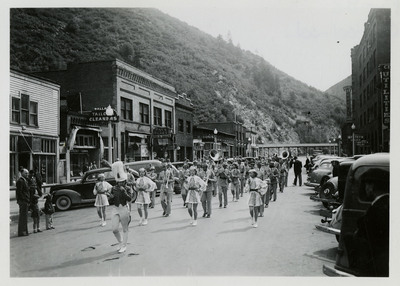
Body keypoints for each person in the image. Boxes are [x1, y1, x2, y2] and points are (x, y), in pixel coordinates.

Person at [109, 160, 133, 253]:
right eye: (119, 182)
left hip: (124, 208)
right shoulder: (113, 188)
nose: (120, 184)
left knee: (125, 228)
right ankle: (120, 242)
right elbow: (111, 200)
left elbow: (130, 199)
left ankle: (124, 245)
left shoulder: (127, 188)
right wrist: (110, 198)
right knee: (114, 229)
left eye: (122, 182)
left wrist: (124, 192)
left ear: (125, 181)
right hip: (115, 209)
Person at [16, 168, 30, 236]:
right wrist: (24, 199)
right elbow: (19, 192)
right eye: (26, 173)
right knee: (23, 217)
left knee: (25, 217)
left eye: (27, 173)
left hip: (25, 201)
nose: (27, 174)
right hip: (23, 201)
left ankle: (24, 231)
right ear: (22, 173)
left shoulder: (25, 180)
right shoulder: (20, 181)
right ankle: (22, 232)